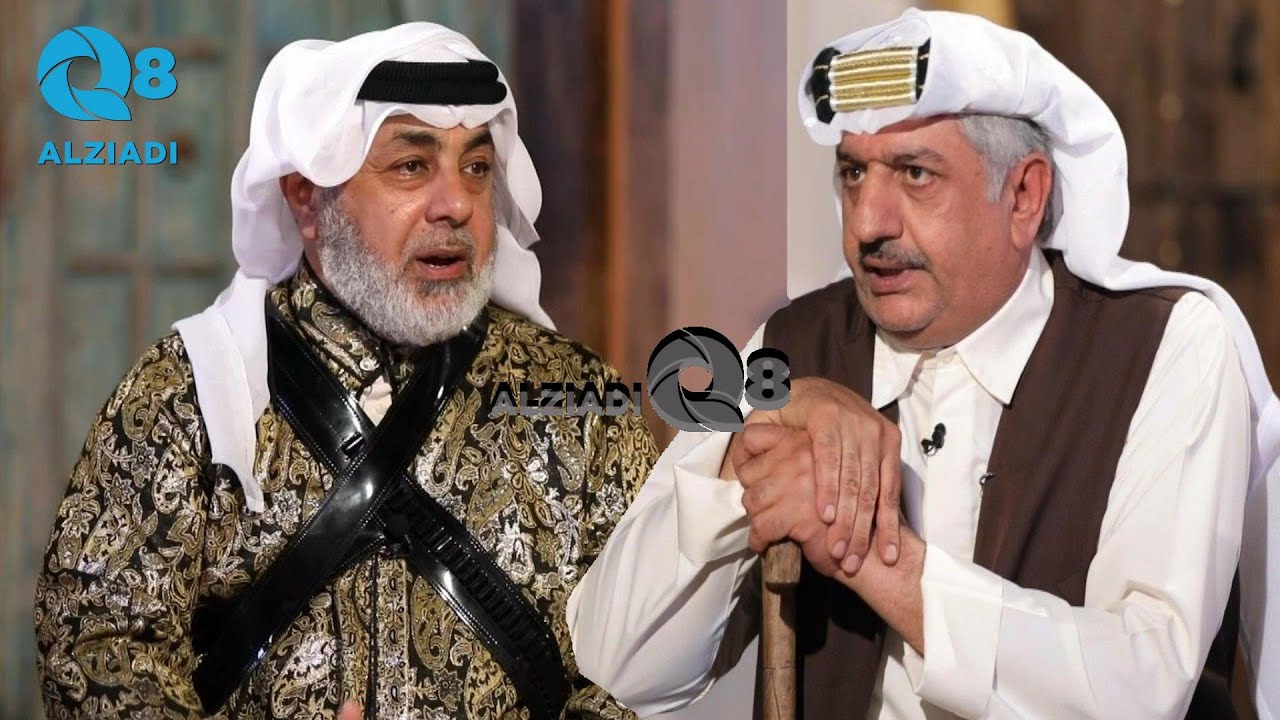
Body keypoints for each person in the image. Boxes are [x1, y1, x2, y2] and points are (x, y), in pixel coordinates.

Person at [568, 9, 1280, 719]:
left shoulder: (1165, 346)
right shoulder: (793, 346)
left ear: (1024, 196)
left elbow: (1143, 685)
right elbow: (619, 667)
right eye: (853, 173)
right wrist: (747, 455)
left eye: (915, 174)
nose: (868, 223)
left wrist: (873, 557)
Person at [35, 23, 655, 720]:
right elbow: (95, 646)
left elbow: (639, 671)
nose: (457, 203)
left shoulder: (575, 401)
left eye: (477, 167)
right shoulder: (185, 396)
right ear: (306, 196)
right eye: (411, 166)